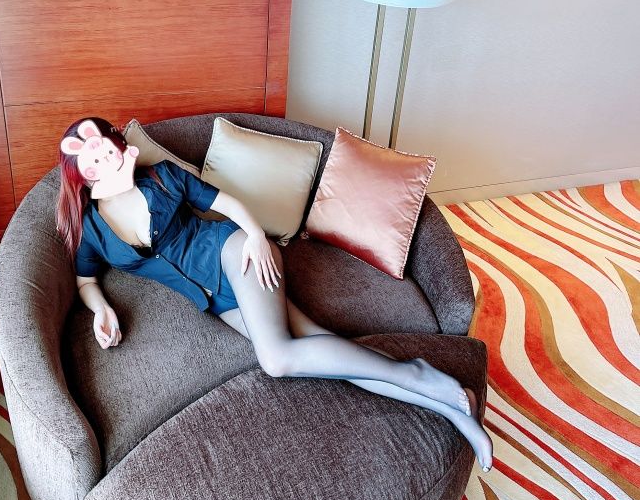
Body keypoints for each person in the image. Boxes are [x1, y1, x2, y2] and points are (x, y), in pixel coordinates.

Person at [56, 116, 493, 472]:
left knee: (278, 358)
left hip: (236, 255)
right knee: (323, 349)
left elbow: (225, 203)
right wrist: (101, 309)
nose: (106, 160)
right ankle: (449, 407)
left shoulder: (163, 178)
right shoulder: (92, 230)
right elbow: (85, 280)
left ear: (121, 148)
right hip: (213, 297)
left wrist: (255, 235)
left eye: (108, 150)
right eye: (95, 160)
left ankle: (422, 379)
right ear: (84, 175)